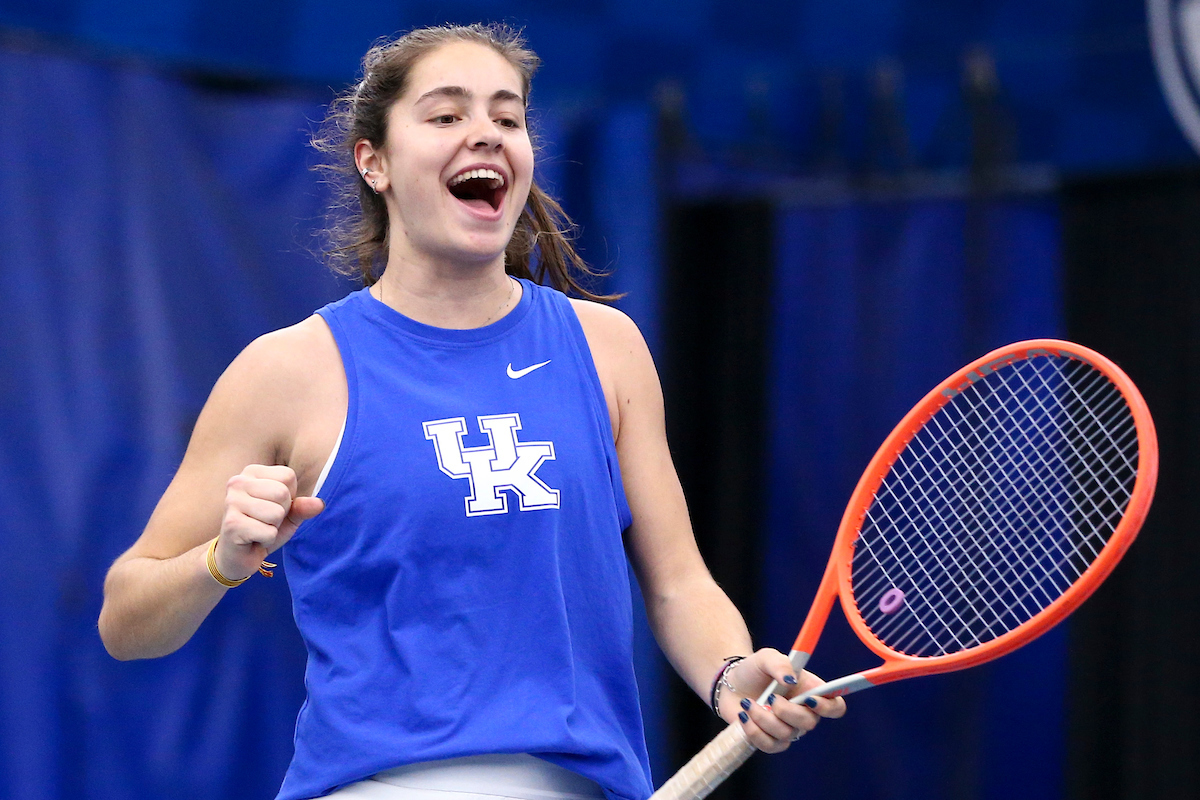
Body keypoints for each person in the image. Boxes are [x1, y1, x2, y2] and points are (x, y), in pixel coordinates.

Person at [97, 22, 846, 800]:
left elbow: (677, 584)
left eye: (508, 117)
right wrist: (222, 559)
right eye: (446, 115)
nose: (484, 134)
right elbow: (126, 620)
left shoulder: (607, 349)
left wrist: (731, 672)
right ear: (373, 161)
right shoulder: (287, 370)